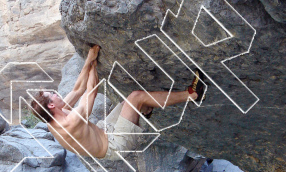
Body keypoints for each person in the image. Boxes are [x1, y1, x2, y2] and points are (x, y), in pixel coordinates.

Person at [30, 45, 206, 160]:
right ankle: (192, 94)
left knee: (126, 104)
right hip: (114, 146)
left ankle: (144, 111)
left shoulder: (52, 118)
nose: (56, 93)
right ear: (51, 105)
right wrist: (92, 61)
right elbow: (91, 91)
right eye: (52, 94)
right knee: (136, 97)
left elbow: (77, 89)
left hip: (105, 130)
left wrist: (89, 61)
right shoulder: (71, 122)